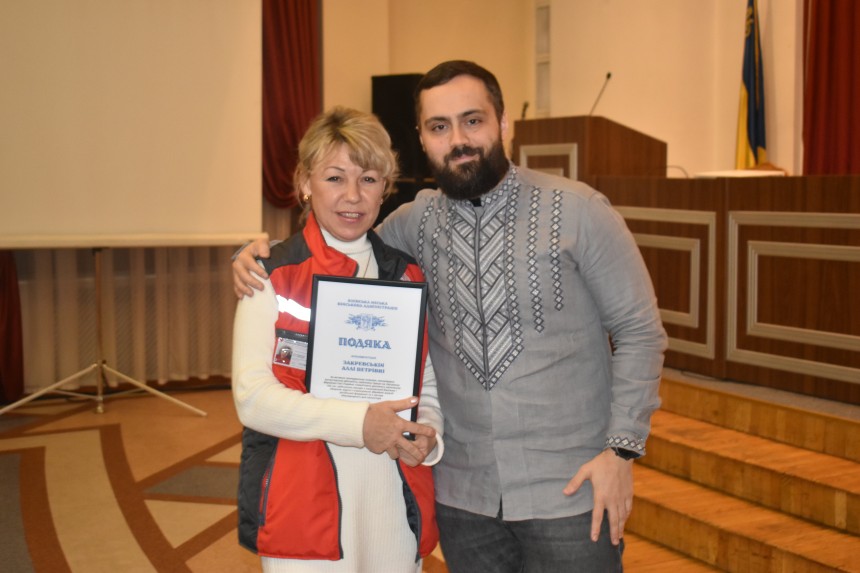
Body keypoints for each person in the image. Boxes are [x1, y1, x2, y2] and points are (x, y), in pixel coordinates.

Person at [234, 61, 667, 572]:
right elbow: (340, 242)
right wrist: (257, 256)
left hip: (570, 491)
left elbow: (640, 333)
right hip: (466, 500)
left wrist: (620, 453)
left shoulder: (579, 211)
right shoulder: (412, 225)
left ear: (504, 123)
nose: (458, 140)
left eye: (472, 121)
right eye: (439, 126)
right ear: (422, 138)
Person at [231, 106, 443, 572]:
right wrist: (359, 424)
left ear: (385, 187)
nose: (353, 196)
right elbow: (253, 398)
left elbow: (425, 380)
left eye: (368, 179)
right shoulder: (270, 274)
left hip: (393, 499)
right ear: (304, 183)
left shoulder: (406, 274)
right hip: (303, 505)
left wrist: (428, 434)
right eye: (334, 178)